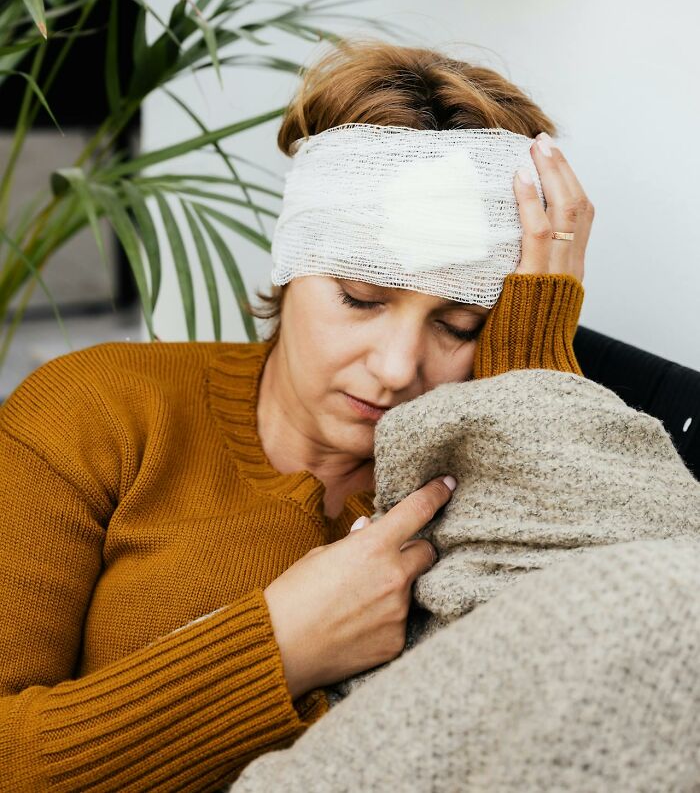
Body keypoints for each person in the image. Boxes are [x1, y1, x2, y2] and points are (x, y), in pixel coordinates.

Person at [0, 38, 594, 791]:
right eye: (360, 299)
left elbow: (607, 689)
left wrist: (532, 375)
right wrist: (281, 648)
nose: (396, 368)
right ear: (289, 267)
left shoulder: (492, 476)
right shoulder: (98, 410)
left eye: (459, 325)